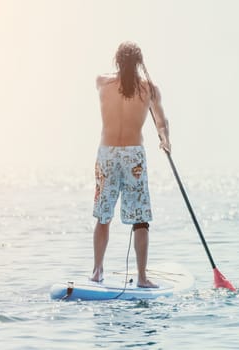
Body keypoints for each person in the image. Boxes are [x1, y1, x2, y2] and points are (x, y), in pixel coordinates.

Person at [91, 42, 170, 288]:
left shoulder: (102, 82)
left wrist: (164, 136)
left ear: (116, 61)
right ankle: (143, 277)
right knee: (141, 219)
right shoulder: (149, 89)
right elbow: (161, 120)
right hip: (133, 156)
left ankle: (97, 271)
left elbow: (159, 120)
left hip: (107, 155)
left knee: (103, 216)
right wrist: (165, 140)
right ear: (139, 63)